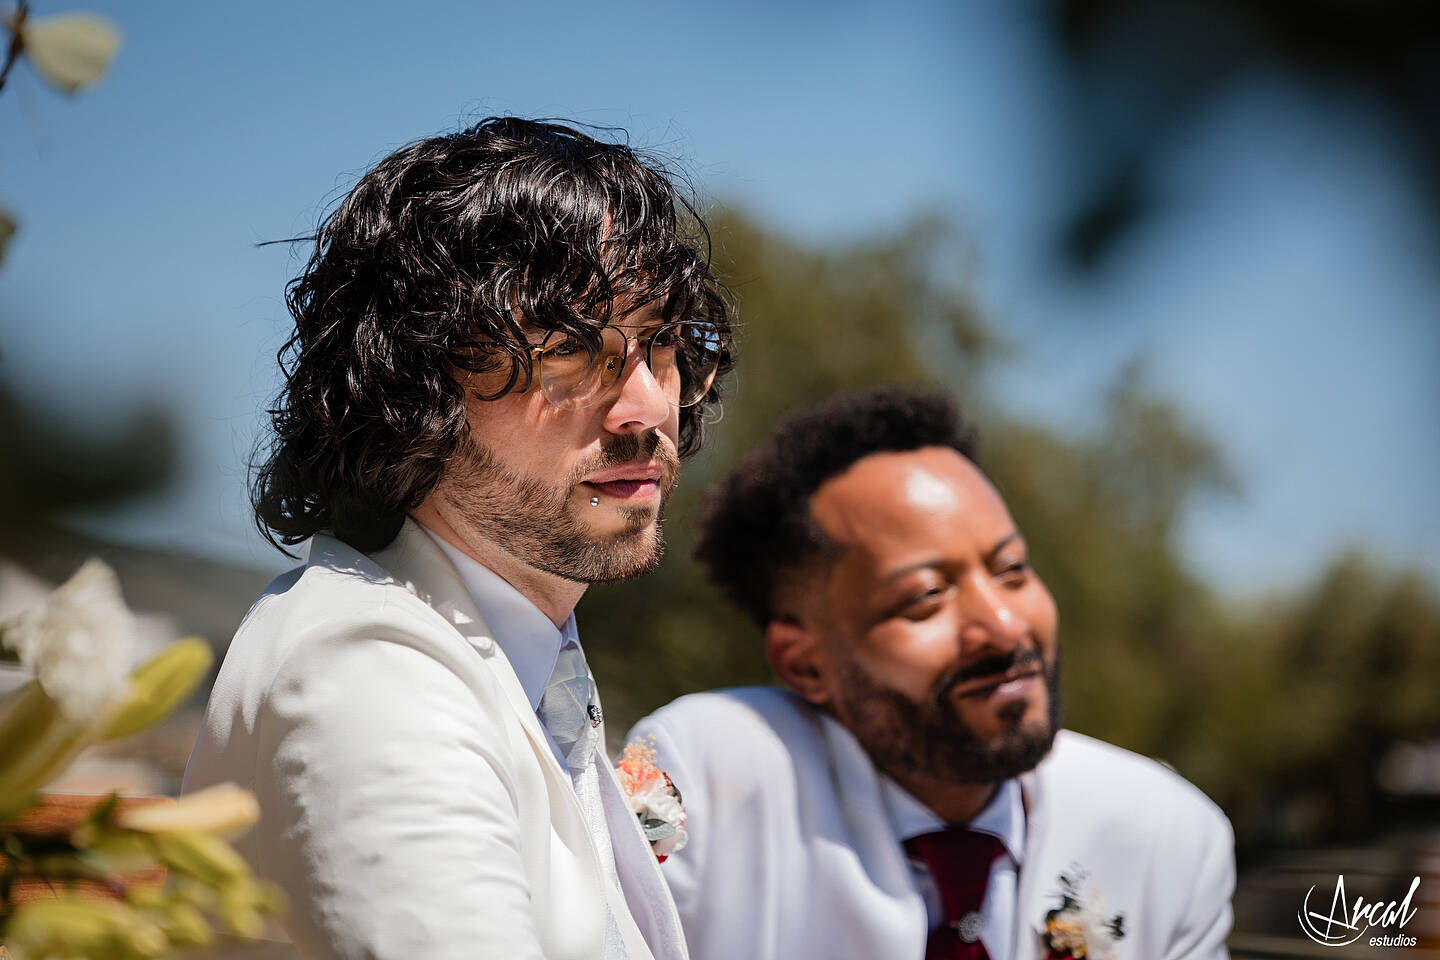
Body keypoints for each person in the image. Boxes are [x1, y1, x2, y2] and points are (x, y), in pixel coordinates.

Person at [184, 117, 732, 960]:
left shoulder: (512, 655)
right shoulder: (371, 671)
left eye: (661, 345)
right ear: (411, 383)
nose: (650, 407)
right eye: (570, 350)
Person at [629, 386, 1234, 960]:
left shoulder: (1170, 839)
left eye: (1012, 571)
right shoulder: (699, 780)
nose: (1004, 627)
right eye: (925, 597)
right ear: (805, 663)